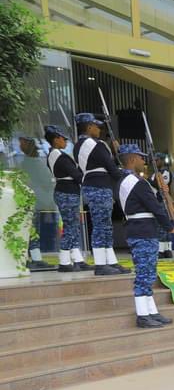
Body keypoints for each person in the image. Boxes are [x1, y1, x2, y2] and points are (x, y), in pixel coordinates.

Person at [117, 144, 174, 329]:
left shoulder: (124, 180)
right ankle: (143, 315)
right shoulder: (138, 183)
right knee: (144, 274)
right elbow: (155, 207)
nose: (144, 161)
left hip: (138, 229)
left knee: (148, 273)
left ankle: (151, 311)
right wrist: (170, 226)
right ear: (133, 159)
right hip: (143, 231)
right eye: (141, 158)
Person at [74, 113, 130, 276]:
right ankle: (100, 264)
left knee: (104, 226)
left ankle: (110, 261)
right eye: (97, 126)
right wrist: (125, 170)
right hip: (99, 187)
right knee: (101, 226)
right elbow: (111, 168)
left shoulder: (79, 145)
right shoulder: (95, 145)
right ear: (89, 126)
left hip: (94, 186)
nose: (99, 130)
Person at [44, 125, 92, 272]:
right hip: (68, 193)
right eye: (62, 139)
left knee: (72, 226)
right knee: (71, 226)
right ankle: (64, 261)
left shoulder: (53, 155)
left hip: (64, 192)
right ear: (56, 139)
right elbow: (77, 176)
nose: (65, 141)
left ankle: (77, 258)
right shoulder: (60, 156)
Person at [18, 135, 56, 271]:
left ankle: (35, 257)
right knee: (32, 230)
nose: (20, 146)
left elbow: (45, 180)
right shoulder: (31, 162)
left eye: (23, 143)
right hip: (33, 201)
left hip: (35, 201)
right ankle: (35, 258)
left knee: (33, 230)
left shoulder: (32, 162)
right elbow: (46, 180)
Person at [149, 152, 174, 259]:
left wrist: (148, 180)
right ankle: (163, 249)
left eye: (157, 160)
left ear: (162, 161)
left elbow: (160, 184)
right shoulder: (155, 173)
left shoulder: (166, 172)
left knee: (163, 225)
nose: (154, 162)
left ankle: (165, 249)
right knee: (160, 226)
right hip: (156, 201)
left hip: (163, 201)